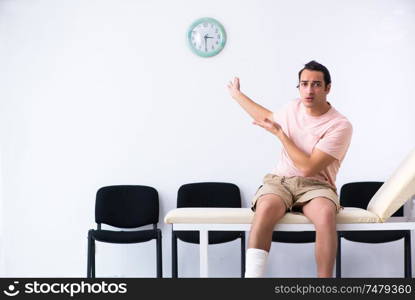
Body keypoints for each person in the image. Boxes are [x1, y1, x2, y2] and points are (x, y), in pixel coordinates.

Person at [227, 61, 352, 278]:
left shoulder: (339, 125)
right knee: (265, 208)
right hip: (281, 181)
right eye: (304, 84)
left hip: (317, 185)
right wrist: (238, 95)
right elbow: (265, 118)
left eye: (316, 84)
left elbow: (308, 168)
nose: (309, 90)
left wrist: (281, 135)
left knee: (325, 214)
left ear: (327, 88)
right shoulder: (292, 108)